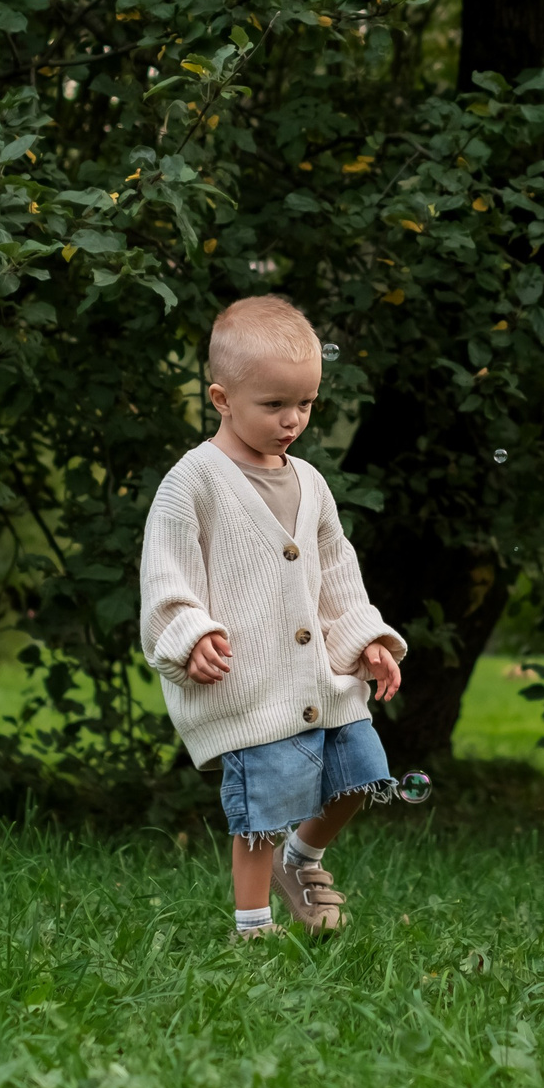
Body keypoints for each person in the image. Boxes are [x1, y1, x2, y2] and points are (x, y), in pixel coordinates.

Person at [139, 295, 408, 940]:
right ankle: (252, 928)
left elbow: (337, 574)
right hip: (250, 686)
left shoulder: (311, 483)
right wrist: (190, 633)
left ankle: (304, 857)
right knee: (260, 811)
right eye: (274, 405)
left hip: (321, 681)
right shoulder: (193, 483)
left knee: (361, 777)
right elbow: (166, 576)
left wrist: (366, 641)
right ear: (221, 398)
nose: (292, 420)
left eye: (306, 405)